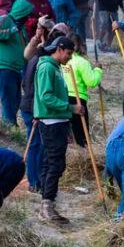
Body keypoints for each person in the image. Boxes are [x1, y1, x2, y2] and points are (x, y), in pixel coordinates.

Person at [34, 36, 83, 224]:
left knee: (52, 163)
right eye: (68, 54)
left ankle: (47, 203)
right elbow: (46, 97)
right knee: (54, 164)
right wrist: (70, 108)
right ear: (60, 49)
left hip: (58, 121)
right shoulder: (47, 68)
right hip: (51, 122)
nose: (70, 58)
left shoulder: (56, 68)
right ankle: (47, 206)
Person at [20, 20, 62, 193]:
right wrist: (37, 110)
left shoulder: (36, 59)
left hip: (29, 106)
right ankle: (34, 180)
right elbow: (33, 88)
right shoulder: (43, 64)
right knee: (37, 144)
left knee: (36, 144)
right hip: (33, 108)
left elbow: (25, 84)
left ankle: (35, 180)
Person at [0, 0, 34, 125]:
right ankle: (9, 128)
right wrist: (12, 30)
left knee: (15, 101)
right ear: (21, 13)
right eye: (26, 15)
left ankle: (10, 126)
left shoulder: (22, 28)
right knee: (8, 102)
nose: (28, 18)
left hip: (16, 69)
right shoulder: (5, 19)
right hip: (4, 69)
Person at [63, 33, 103, 147]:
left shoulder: (60, 60)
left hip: (63, 98)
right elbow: (92, 82)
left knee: (66, 132)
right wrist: (98, 70)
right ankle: (82, 153)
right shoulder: (81, 62)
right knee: (81, 134)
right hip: (78, 100)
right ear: (79, 45)